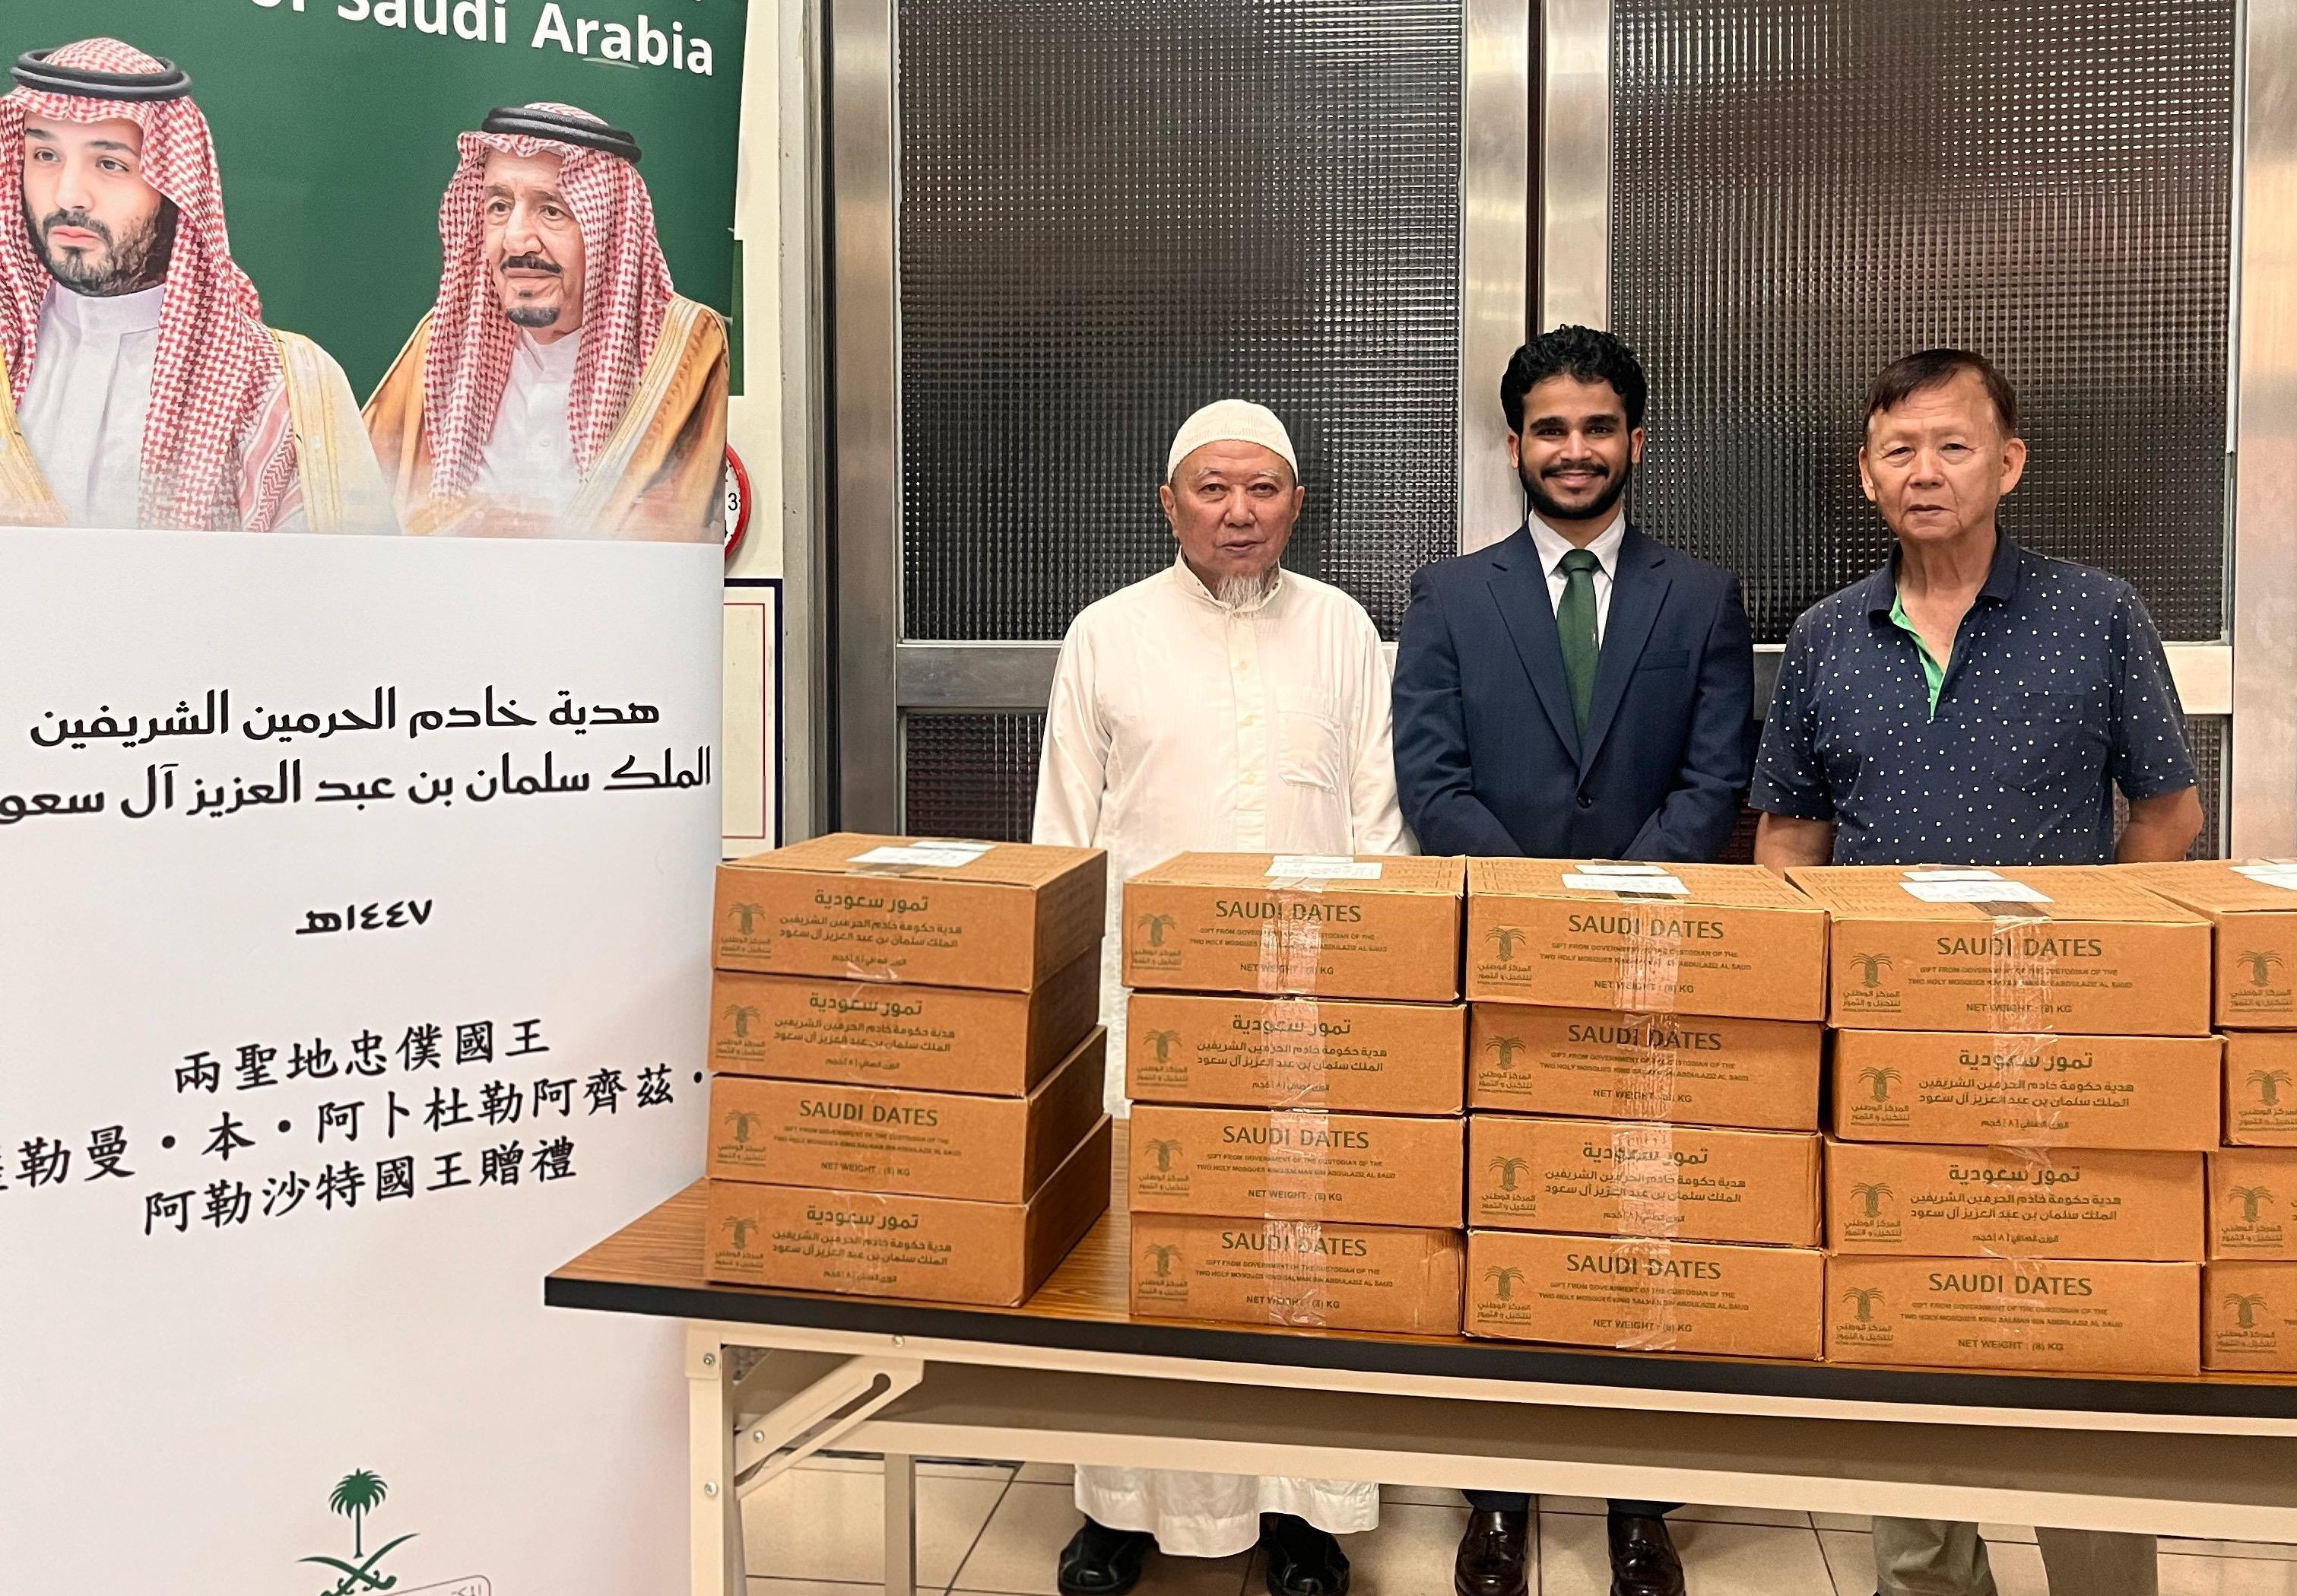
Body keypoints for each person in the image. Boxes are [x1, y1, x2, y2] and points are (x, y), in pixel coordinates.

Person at [1753, 348, 2200, 1596]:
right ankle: (1929, 1580)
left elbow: (2168, 810)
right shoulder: (1828, 636)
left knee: (2076, 1336)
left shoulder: (2095, 613)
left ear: (2007, 464)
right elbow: (1789, 836)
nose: (1925, 471)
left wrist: (2093, 950)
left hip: (2062, 1052)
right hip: (1886, 1058)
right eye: (1899, 448)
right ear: (1865, 472)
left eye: (1952, 445)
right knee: (1900, 1328)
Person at [1393, 325, 1752, 1596]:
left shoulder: (1701, 597)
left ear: (1635, 440)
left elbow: (1715, 777)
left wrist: (1618, 906)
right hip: (1498, 963)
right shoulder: (1448, 594)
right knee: (1500, 1212)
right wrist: (1541, 914)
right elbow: (1431, 778)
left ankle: (1637, 1499)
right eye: (1551, 428)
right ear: (1515, 446)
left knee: (1638, 1224)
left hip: (1655, 961)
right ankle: (1495, 1494)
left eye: (1598, 426)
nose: (1575, 449)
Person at [1033, 399, 1407, 1596]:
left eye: (1262, 488)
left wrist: (1377, 988)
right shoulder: (1105, 633)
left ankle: (1303, 1508)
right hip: (1147, 1001)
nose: (1237, 512)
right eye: (1212, 487)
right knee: (1140, 1250)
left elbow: (1379, 820)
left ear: (1297, 503)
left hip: (1311, 1002)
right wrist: (1068, 1009)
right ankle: (1118, 1508)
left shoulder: (1344, 628)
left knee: (1302, 1248)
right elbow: (1064, 835)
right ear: (1169, 503)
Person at [0, 38, 389, 531]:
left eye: (110, 163)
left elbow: (336, 574)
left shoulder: (276, 385)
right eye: (45, 155)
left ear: (174, 188)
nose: (69, 194)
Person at [363, 101, 727, 540]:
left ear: (608, 232)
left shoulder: (684, 350)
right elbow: (361, 513)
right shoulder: (443, 341)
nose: (515, 239)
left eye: (551, 210)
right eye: (499, 206)